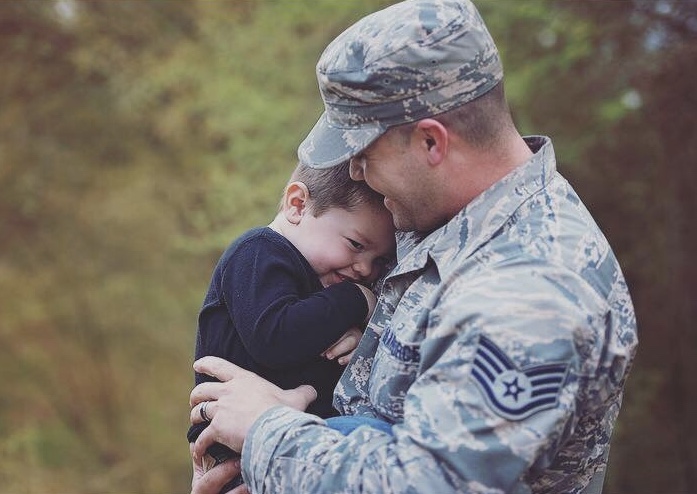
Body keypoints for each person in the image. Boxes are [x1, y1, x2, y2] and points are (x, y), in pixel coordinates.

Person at [188, 0, 639, 493]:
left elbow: (432, 482)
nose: (354, 173)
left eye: (363, 155)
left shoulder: (530, 289)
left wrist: (264, 431)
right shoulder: (431, 216)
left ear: (431, 143)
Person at [187, 161, 396, 490]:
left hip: (285, 449)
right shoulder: (257, 252)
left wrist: (353, 337)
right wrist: (357, 300)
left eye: (380, 261)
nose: (365, 269)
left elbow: (307, 363)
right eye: (356, 245)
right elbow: (275, 338)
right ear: (297, 204)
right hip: (235, 455)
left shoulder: (316, 284)